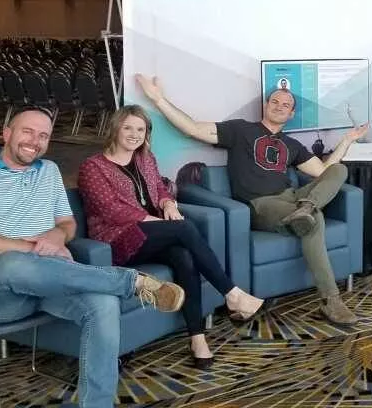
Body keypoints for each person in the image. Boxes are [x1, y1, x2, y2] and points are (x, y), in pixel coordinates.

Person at [0, 107, 184, 408]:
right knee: (13, 262)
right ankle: (129, 281)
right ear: (7, 133)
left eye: (43, 136)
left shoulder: (49, 171)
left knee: (104, 303)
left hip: (50, 281)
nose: (35, 141)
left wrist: (56, 237)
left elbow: (67, 224)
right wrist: (32, 250)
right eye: (27, 131)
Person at [135, 75, 366, 326]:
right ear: (266, 106)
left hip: (293, 198)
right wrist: (158, 99)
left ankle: (307, 208)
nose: (278, 106)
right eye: (274, 101)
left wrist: (347, 141)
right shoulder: (240, 130)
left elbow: (323, 172)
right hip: (262, 204)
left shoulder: (292, 145)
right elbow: (192, 128)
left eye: (285, 105)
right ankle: (331, 299)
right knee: (315, 219)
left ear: (291, 114)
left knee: (339, 171)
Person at [77, 105, 267, 369]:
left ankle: (197, 338)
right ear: (115, 128)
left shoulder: (145, 158)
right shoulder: (93, 166)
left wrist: (168, 204)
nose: (134, 134)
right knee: (184, 228)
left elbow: (160, 188)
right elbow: (110, 209)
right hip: (117, 239)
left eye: (140, 129)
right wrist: (156, 221)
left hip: (152, 236)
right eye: (128, 127)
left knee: (184, 256)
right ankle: (232, 293)